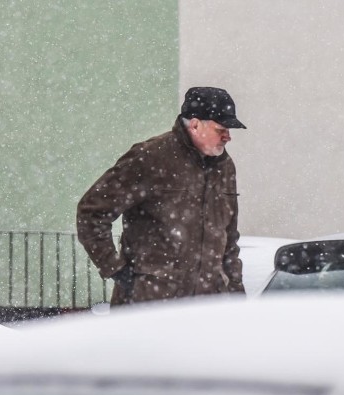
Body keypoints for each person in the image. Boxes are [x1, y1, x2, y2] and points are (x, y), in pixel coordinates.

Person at [77, 86, 247, 305]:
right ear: (195, 124)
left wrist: (236, 296)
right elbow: (91, 212)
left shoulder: (224, 167)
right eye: (221, 129)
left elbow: (229, 239)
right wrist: (115, 269)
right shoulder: (150, 158)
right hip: (151, 306)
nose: (228, 137)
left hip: (207, 311)